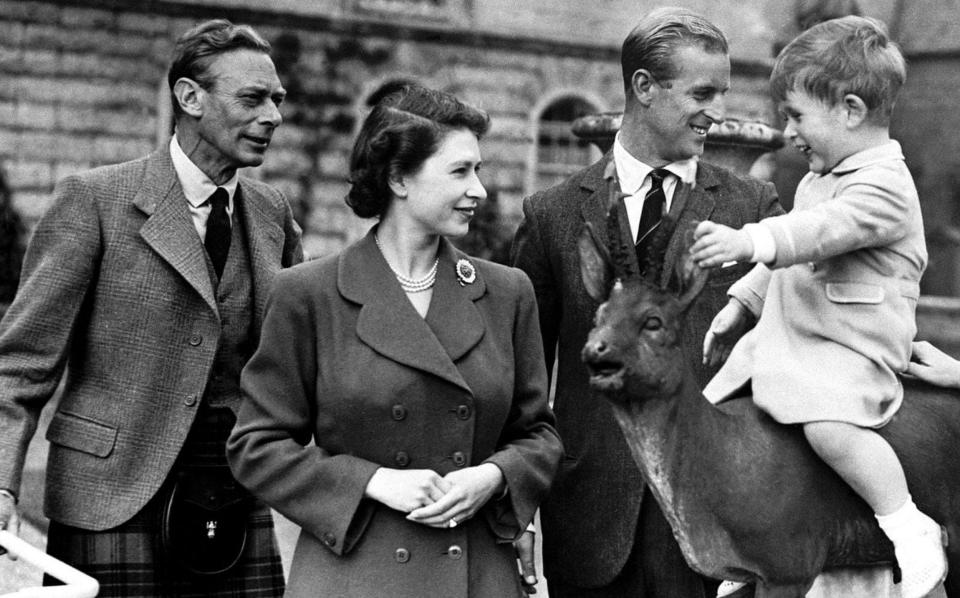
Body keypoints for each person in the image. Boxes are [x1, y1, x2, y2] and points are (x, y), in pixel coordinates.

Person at [0, 19, 302, 596]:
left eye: (277, 100)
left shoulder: (271, 215)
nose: (273, 117)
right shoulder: (94, 200)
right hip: (109, 496)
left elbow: (292, 363)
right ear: (190, 97)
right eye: (253, 98)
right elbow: (21, 363)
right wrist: (1, 484)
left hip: (234, 491)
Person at [226, 84, 562, 598]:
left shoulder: (507, 292)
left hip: (475, 571)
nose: (480, 190)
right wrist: (373, 481)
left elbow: (538, 434)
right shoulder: (308, 293)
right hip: (355, 571)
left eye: (479, 170)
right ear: (399, 178)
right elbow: (257, 447)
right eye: (460, 171)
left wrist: (494, 476)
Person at [510, 7, 783, 598]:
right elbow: (519, 377)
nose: (717, 109)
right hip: (586, 524)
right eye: (702, 92)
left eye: (723, 92)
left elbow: (799, 335)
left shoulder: (754, 209)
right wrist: (517, 508)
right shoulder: (552, 214)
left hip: (718, 529)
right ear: (643, 87)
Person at [692, 16, 945, 598]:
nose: (788, 132)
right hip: (797, 335)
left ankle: (906, 522)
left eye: (797, 116)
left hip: (851, 342)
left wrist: (750, 239)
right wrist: (742, 301)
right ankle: (759, 544)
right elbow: (793, 259)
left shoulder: (884, 184)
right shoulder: (821, 174)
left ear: (851, 111)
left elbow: (818, 233)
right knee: (720, 409)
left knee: (828, 428)